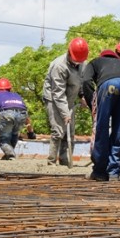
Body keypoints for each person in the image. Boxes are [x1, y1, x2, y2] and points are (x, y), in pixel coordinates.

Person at [81, 40, 120, 181]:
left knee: (102, 129)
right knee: (119, 132)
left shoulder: (95, 62)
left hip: (108, 85)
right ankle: (114, 173)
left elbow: (86, 81)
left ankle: (99, 172)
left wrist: (92, 103)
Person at [42, 37, 89, 166]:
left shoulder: (82, 63)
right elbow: (58, 92)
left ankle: (65, 160)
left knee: (70, 131)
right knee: (58, 130)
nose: (78, 62)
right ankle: (51, 161)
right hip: (53, 98)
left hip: (69, 99)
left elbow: (81, 82)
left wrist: (82, 96)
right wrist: (64, 113)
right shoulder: (59, 66)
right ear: (69, 52)